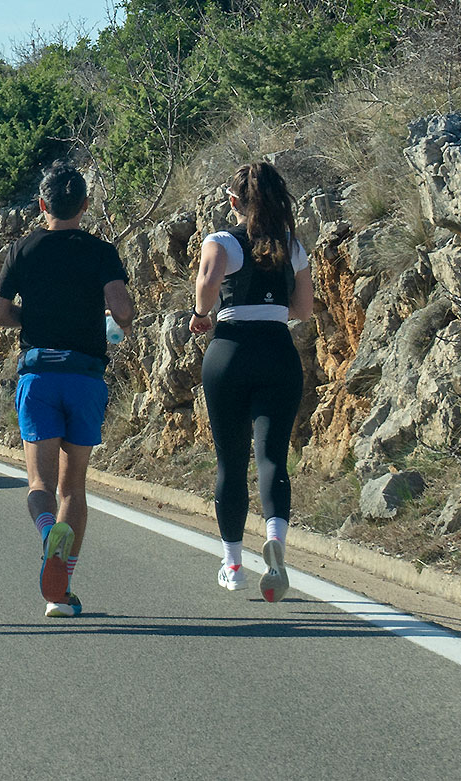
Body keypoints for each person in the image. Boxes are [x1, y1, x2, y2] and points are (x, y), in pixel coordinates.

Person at [0, 161, 135, 618]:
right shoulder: (101, 251)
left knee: (40, 484)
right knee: (74, 487)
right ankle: (62, 588)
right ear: (85, 205)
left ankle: (47, 529)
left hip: (39, 376)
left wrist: (32, 319)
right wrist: (103, 316)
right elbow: (123, 310)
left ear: (41, 205)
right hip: (84, 375)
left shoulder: (23, 249)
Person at [190, 161, 313, 602]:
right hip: (278, 351)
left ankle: (233, 564)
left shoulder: (222, 241)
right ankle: (275, 538)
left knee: (231, 460)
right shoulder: (292, 247)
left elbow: (208, 285)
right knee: (272, 456)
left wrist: (200, 315)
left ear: (233, 201)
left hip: (230, 350)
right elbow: (303, 310)